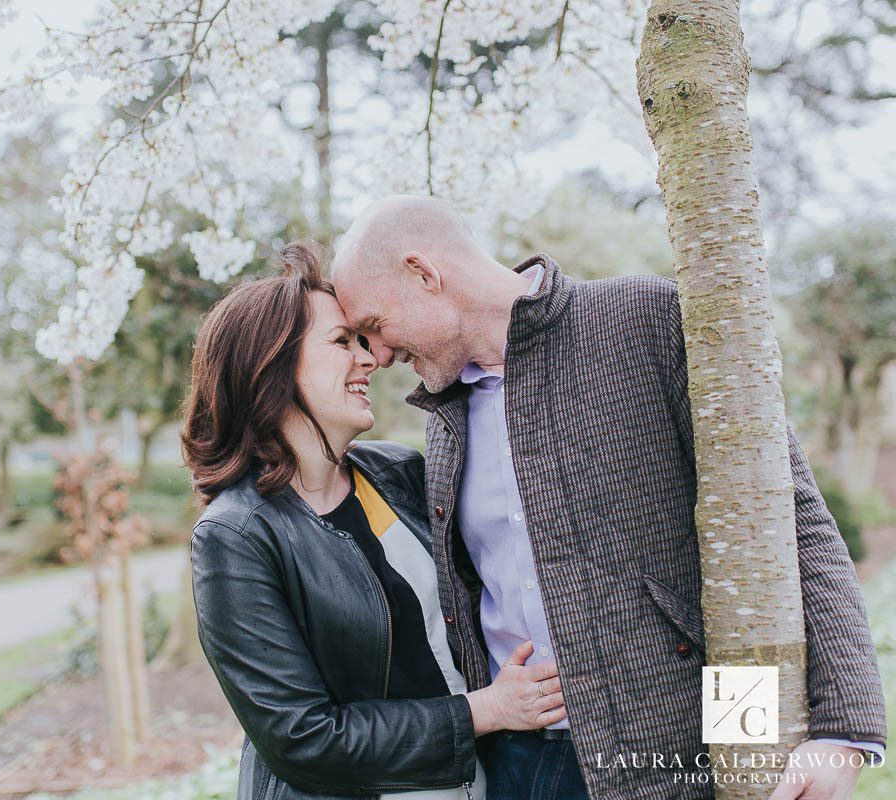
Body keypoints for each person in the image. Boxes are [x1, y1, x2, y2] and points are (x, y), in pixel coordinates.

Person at [329, 194, 886, 800]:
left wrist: (841, 733)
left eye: (375, 327)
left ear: (424, 273)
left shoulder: (648, 319)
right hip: (515, 766)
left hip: (683, 758)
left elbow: (791, 518)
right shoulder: (443, 415)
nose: (376, 357)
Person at [183, 243, 567, 800]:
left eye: (363, 341)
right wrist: (484, 711)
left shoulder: (398, 473)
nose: (369, 359)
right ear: (269, 365)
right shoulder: (236, 537)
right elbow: (303, 738)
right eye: (342, 343)